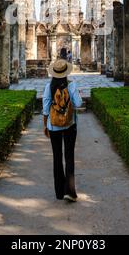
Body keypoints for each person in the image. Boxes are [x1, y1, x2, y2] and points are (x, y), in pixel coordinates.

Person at [42, 59, 82, 202]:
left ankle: (59, 192)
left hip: (53, 126)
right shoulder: (71, 86)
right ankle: (70, 191)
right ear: (66, 73)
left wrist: (45, 125)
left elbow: (45, 108)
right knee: (69, 157)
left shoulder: (49, 86)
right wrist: (78, 94)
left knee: (57, 157)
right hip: (70, 125)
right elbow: (78, 103)